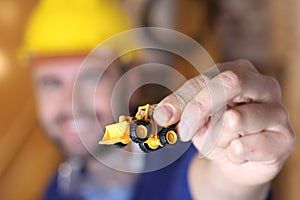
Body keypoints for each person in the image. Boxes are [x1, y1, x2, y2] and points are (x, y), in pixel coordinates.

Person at [20, 0, 295, 199]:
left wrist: (237, 169)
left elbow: (218, 185)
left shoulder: (188, 150)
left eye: (92, 77)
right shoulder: (57, 189)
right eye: (51, 83)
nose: (71, 102)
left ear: (131, 81)